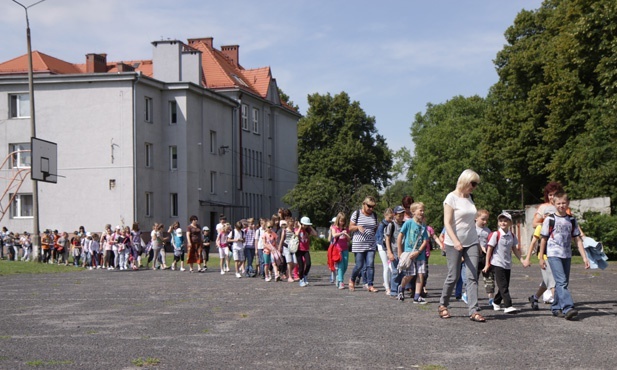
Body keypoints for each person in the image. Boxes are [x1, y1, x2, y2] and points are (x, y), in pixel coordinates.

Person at [438, 169, 484, 322]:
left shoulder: (470, 197)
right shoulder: (451, 198)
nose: (474, 187)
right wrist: (456, 241)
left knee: (472, 277)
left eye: (476, 184)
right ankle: (443, 305)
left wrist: (477, 242)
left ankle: (474, 310)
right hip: (453, 243)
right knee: (454, 276)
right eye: (473, 183)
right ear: (464, 181)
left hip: (471, 241)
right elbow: (447, 223)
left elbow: (471, 222)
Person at [538, 192, 590, 320]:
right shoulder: (550, 219)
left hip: (566, 254)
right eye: (558, 203)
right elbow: (543, 239)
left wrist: (584, 257)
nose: (561, 205)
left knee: (562, 282)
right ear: (554, 204)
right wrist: (540, 258)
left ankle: (556, 308)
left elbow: (577, 239)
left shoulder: (571, 220)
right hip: (553, 254)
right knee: (561, 282)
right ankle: (568, 308)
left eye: (563, 203)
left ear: (568, 203)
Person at [526, 181, 564, 310]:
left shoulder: (562, 206)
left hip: (560, 248)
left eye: (554, 194)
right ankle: (560, 306)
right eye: (549, 194)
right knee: (553, 280)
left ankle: (535, 297)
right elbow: (534, 224)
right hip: (546, 248)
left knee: (548, 279)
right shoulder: (543, 207)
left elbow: (570, 221)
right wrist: (547, 220)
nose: (552, 197)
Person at [482, 212, 523, 314]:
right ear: (498, 222)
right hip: (497, 263)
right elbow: (489, 250)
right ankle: (508, 306)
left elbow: (515, 249)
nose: (503, 223)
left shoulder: (512, 236)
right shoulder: (496, 234)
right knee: (503, 286)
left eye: (505, 221)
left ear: (510, 223)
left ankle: (496, 302)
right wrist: (487, 264)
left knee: (504, 286)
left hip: (507, 264)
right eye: (501, 221)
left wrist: (522, 260)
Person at [396, 202, 429, 303]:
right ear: (413, 212)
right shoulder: (408, 223)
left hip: (420, 255)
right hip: (409, 253)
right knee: (410, 275)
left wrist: (419, 252)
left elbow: (425, 241)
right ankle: (401, 287)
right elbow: (400, 236)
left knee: (420, 274)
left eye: (423, 210)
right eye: (420, 210)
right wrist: (400, 251)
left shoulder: (423, 226)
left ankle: (417, 296)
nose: (422, 212)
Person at [349, 196, 379, 293]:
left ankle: (370, 284)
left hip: (370, 244)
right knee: (359, 265)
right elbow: (350, 227)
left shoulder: (374, 215)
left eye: (373, 207)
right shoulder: (356, 213)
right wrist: (357, 227)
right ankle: (352, 279)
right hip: (359, 244)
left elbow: (375, 227)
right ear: (364, 204)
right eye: (369, 206)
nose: (371, 209)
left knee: (370, 264)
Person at [475, 209, 495, 306]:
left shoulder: (488, 231)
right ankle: (470, 297)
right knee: (474, 279)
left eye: (486, 220)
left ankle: (491, 298)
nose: (485, 222)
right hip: (474, 256)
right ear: (476, 218)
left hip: (486, 257)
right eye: (483, 219)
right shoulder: (472, 229)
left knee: (489, 278)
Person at [386, 206, 406, 298]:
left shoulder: (405, 224)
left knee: (403, 272)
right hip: (394, 251)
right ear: (394, 215)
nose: (401, 217)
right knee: (395, 271)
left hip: (404, 251)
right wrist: (389, 252)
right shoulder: (391, 225)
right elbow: (387, 239)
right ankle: (393, 290)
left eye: (402, 215)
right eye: (399, 215)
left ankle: (400, 289)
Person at [330, 212, 350, 290]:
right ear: (338, 220)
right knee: (340, 265)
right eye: (341, 221)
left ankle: (339, 276)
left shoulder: (346, 228)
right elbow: (334, 235)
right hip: (337, 249)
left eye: (344, 221)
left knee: (345, 266)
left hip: (345, 248)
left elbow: (348, 239)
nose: (342, 223)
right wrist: (341, 233)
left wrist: (346, 234)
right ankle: (341, 281)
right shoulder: (334, 227)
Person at [376, 208, 393, 294]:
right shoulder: (382, 225)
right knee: (386, 266)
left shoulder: (391, 224)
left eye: (392, 218)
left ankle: (388, 283)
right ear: (385, 216)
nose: (391, 219)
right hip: (382, 247)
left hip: (388, 247)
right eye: (389, 217)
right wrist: (386, 249)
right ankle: (387, 288)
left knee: (391, 267)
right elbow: (379, 238)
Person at [296, 216, 317, 287]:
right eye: (304, 224)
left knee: (308, 264)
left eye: (306, 225)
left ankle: (305, 275)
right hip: (298, 249)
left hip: (305, 249)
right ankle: (301, 279)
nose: (305, 226)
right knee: (301, 265)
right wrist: (299, 227)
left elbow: (315, 234)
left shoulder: (308, 230)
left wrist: (310, 227)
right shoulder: (298, 229)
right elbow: (296, 234)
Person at [279, 218, 297, 283]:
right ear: (288, 224)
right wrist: (279, 247)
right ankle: (290, 277)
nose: (291, 226)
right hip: (286, 247)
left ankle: (287, 272)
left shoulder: (294, 230)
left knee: (295, 262)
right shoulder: (285, 230)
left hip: (293, 248)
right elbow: (282, 239)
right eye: (290, 225)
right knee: (289, 262)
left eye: (292, 225)